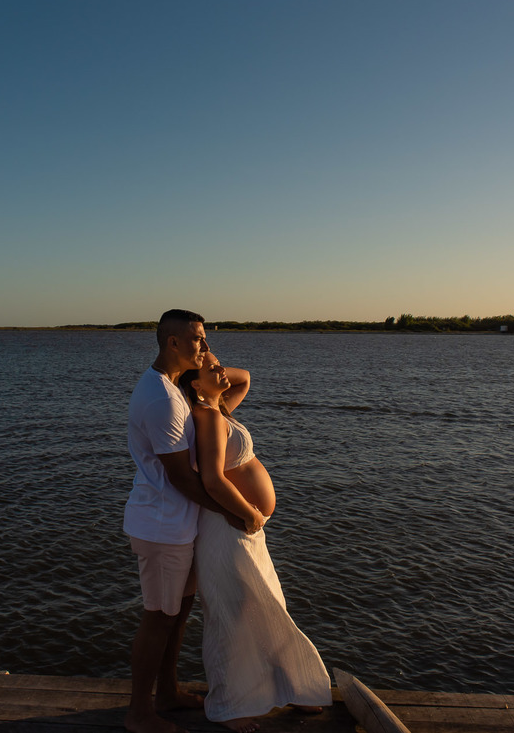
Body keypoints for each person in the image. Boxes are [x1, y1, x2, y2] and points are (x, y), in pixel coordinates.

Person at [179, 353, 332, 733]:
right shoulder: (208, 417)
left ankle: (291, 687)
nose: (221, 369)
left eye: (219, 363)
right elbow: (213, 479)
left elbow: (244, 377)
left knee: (268, 605)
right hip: (228, 529)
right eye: (211, 368)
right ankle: (228, 706)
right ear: (195, 384)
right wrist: (249, 514)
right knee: (231, 615)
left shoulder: (220, 408)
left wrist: (207, 365)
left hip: (245, 530)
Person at [124, 309, 247, 733]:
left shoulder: (176, 386)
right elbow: (180, 477)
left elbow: (240, 379)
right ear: (172, 342)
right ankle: (139, 712)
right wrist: (233, 512)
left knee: (178, 614)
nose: (206, 346)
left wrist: (207, 363)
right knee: (159, 616)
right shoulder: (161, 398)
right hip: (162, 525)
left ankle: (168, 692)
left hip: (182, 524)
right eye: (197, 339)